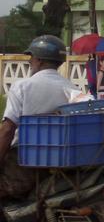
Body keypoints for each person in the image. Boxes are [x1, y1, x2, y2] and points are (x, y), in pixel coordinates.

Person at [0, 35, 75, 200]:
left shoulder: (23, 86)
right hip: (63, 162)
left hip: (24, 164)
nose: (29, 61)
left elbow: (8, 130)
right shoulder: (72, 88)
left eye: (31, 57)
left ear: (39, 60)